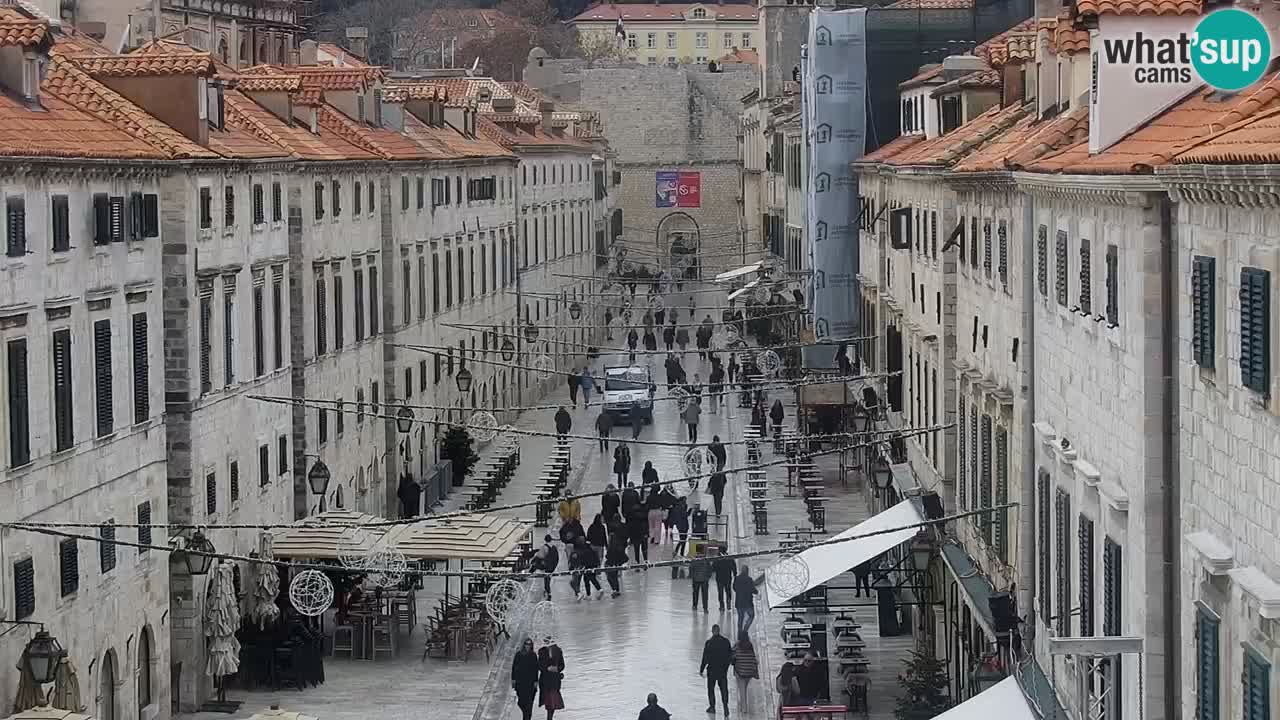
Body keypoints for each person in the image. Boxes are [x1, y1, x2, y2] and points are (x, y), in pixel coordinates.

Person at [699, 623, 733, 715]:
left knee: (711, 689)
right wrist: (726, 667)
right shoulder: (726, 642)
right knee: (724, 689)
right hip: (722, 670)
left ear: (712, 631)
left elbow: (705, 658)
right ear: (719, 631)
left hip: (712, 670)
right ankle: (725, 706)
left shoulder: (709, 642)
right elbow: (730, 656)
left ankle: (712, 707)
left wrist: (701, 669)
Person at [511, 638, 542, 720]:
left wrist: (536, 681)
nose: (528, 646)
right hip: (521, 682)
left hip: (530, 683)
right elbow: (514, 668)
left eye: (529, 644)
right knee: (521, 702)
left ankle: (527, 717)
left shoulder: (533, 655)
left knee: (529, 704)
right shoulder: (518, 655)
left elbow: (536, 669)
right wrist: (513, 680)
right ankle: (526, 715)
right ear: (524, 645)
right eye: (526, 644)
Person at [537, 643, 566, 719]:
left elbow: (562, 665)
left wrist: (557, 669)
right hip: (545, 681)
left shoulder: (558, 650)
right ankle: (549, 718)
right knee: (548, 702)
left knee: (553, 702)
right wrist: (547, 668)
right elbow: (539, 666)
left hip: (555, 681)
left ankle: (549, 718)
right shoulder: (541, 651)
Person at [732, 633, 759, 712]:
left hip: (740, 671)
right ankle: (742, 704)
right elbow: (753, 657)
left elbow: (732, 654)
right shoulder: (750, 645)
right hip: (749, 671)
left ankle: (744, 708)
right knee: (744, 687)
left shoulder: (737, 645)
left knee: (742, 689)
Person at [530, 535, 560, 600]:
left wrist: (533, 564)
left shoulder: (544, 547)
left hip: (544, 567)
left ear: (545, 540)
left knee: (541, 581)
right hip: (551, 567)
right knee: (548, 580)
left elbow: (539, 556)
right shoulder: (554, 548)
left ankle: (544, 593)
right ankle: (548, 592)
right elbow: (557, 558)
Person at [733, 565, 758, 635]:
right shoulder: (749, 579)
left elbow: (734, 588)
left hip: (739, 602)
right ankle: (745, 630)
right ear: (747, 571)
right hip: (748, 603)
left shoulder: (736, 578)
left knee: (740, 618)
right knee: (751, 616)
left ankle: (739, 632)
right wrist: (756, 592)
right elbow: (753, 590)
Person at [713, 543, 736, 611]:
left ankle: (722, 605)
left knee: (720, 592)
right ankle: (728, 603)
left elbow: (713, 568)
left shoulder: (717, 558)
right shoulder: (729, 557)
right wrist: (734, 574)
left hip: (719, 578)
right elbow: (733, 566)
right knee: (728, 590)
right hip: (727, 577)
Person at [690, 546, 712, 612]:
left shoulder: (694, 560)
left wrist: (693, 577)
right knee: (705, 595)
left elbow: (691, 569)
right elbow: (710, 569)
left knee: (695, 594)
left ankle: (695, 606)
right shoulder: (706, 560)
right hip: (704, 580)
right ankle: (705, 608)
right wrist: (708, 577)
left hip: (696, 580)